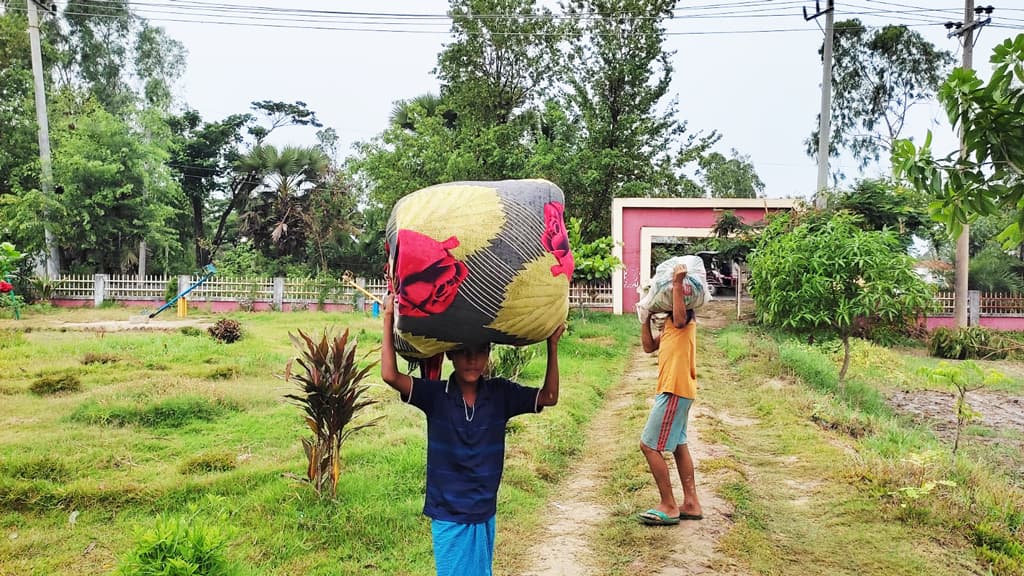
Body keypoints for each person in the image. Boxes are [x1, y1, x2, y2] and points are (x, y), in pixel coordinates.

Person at [380, 293, 565, 576]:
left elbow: (549, 396)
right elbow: (390, 376)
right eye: (464, 352)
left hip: (483, 511)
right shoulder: (435, 396)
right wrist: (388, 318)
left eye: (480, 352)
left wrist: (552, 346)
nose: (472, 360)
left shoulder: (502, 394)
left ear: (489, 354)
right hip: (447, 513)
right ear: (451, 354)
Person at [637, 264, 703, 526]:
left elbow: (678, 317)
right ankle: (691, 503)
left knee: (648, 445)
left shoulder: (685, 318)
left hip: (674, 390)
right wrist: (644, 318)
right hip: (679, 390)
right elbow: (648, 347)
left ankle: (669, 505)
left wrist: (676, 284)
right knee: (677, 445)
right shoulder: (669, 323)